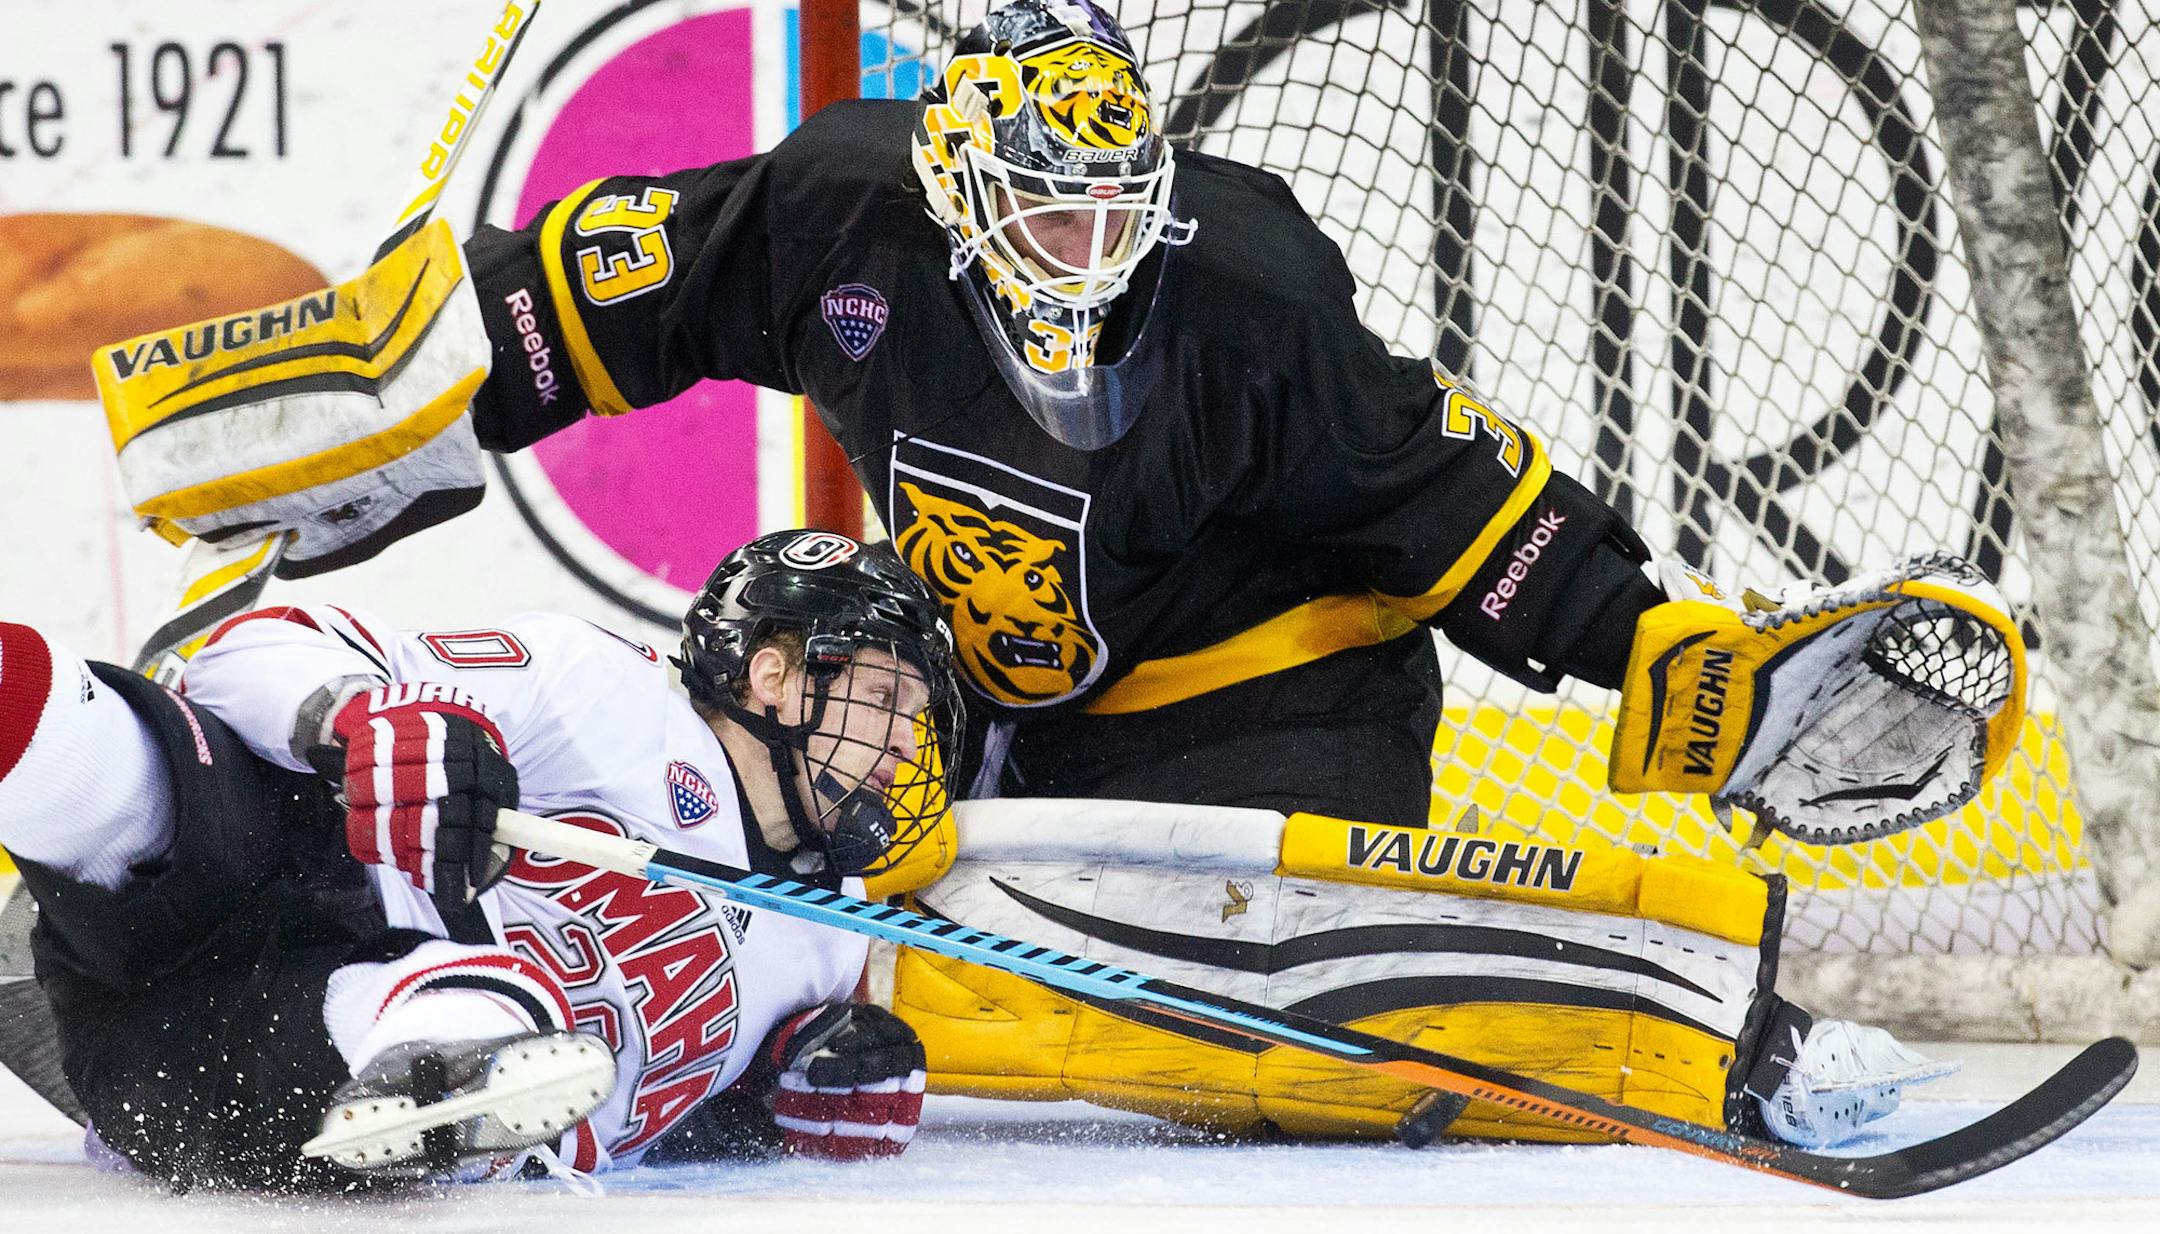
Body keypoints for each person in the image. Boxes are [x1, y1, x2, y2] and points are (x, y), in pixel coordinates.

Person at [89, 0, 2022, 1155]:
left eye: (1119, 198)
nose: (1090, 236)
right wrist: (377, 396)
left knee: (1237, 1027)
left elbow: (1472, 512)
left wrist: (1693, 666)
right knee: (876, 902)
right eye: (1046, 199)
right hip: (1002, 706)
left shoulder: (1251, 302)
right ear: (948, 186)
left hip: (1278, 711)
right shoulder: (846, 200)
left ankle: (1698, 1028)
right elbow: (580, 304)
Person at [0, 529, 960, 1190]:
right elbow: (242, 656)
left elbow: (667, 1116)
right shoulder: (604, 691)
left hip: (249, 1076)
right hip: (244, 878)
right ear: (774, 672)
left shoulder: (837, 935)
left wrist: (803, 1091)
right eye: (883, 701)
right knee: (83, 737)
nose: (896, 747)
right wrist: (360, 718)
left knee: (503, 1025)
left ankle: (438, 1055)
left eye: (913, 721)